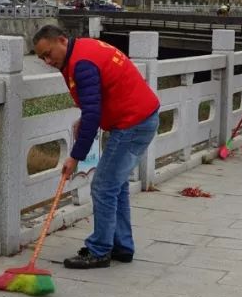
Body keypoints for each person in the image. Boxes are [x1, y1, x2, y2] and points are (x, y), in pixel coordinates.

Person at [32, 25, 160, 269]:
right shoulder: (82, 50)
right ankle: (121, 246)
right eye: (41, 58)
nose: (48, 61)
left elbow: (92, 113)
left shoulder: (81, 63)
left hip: (133, 123)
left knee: (102, 186)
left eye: (49, 53)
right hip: (140, 118)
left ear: (62, 39)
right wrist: (88, 118)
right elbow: (96, 102)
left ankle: (99, 250)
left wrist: (75, 156)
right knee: (115, 185)